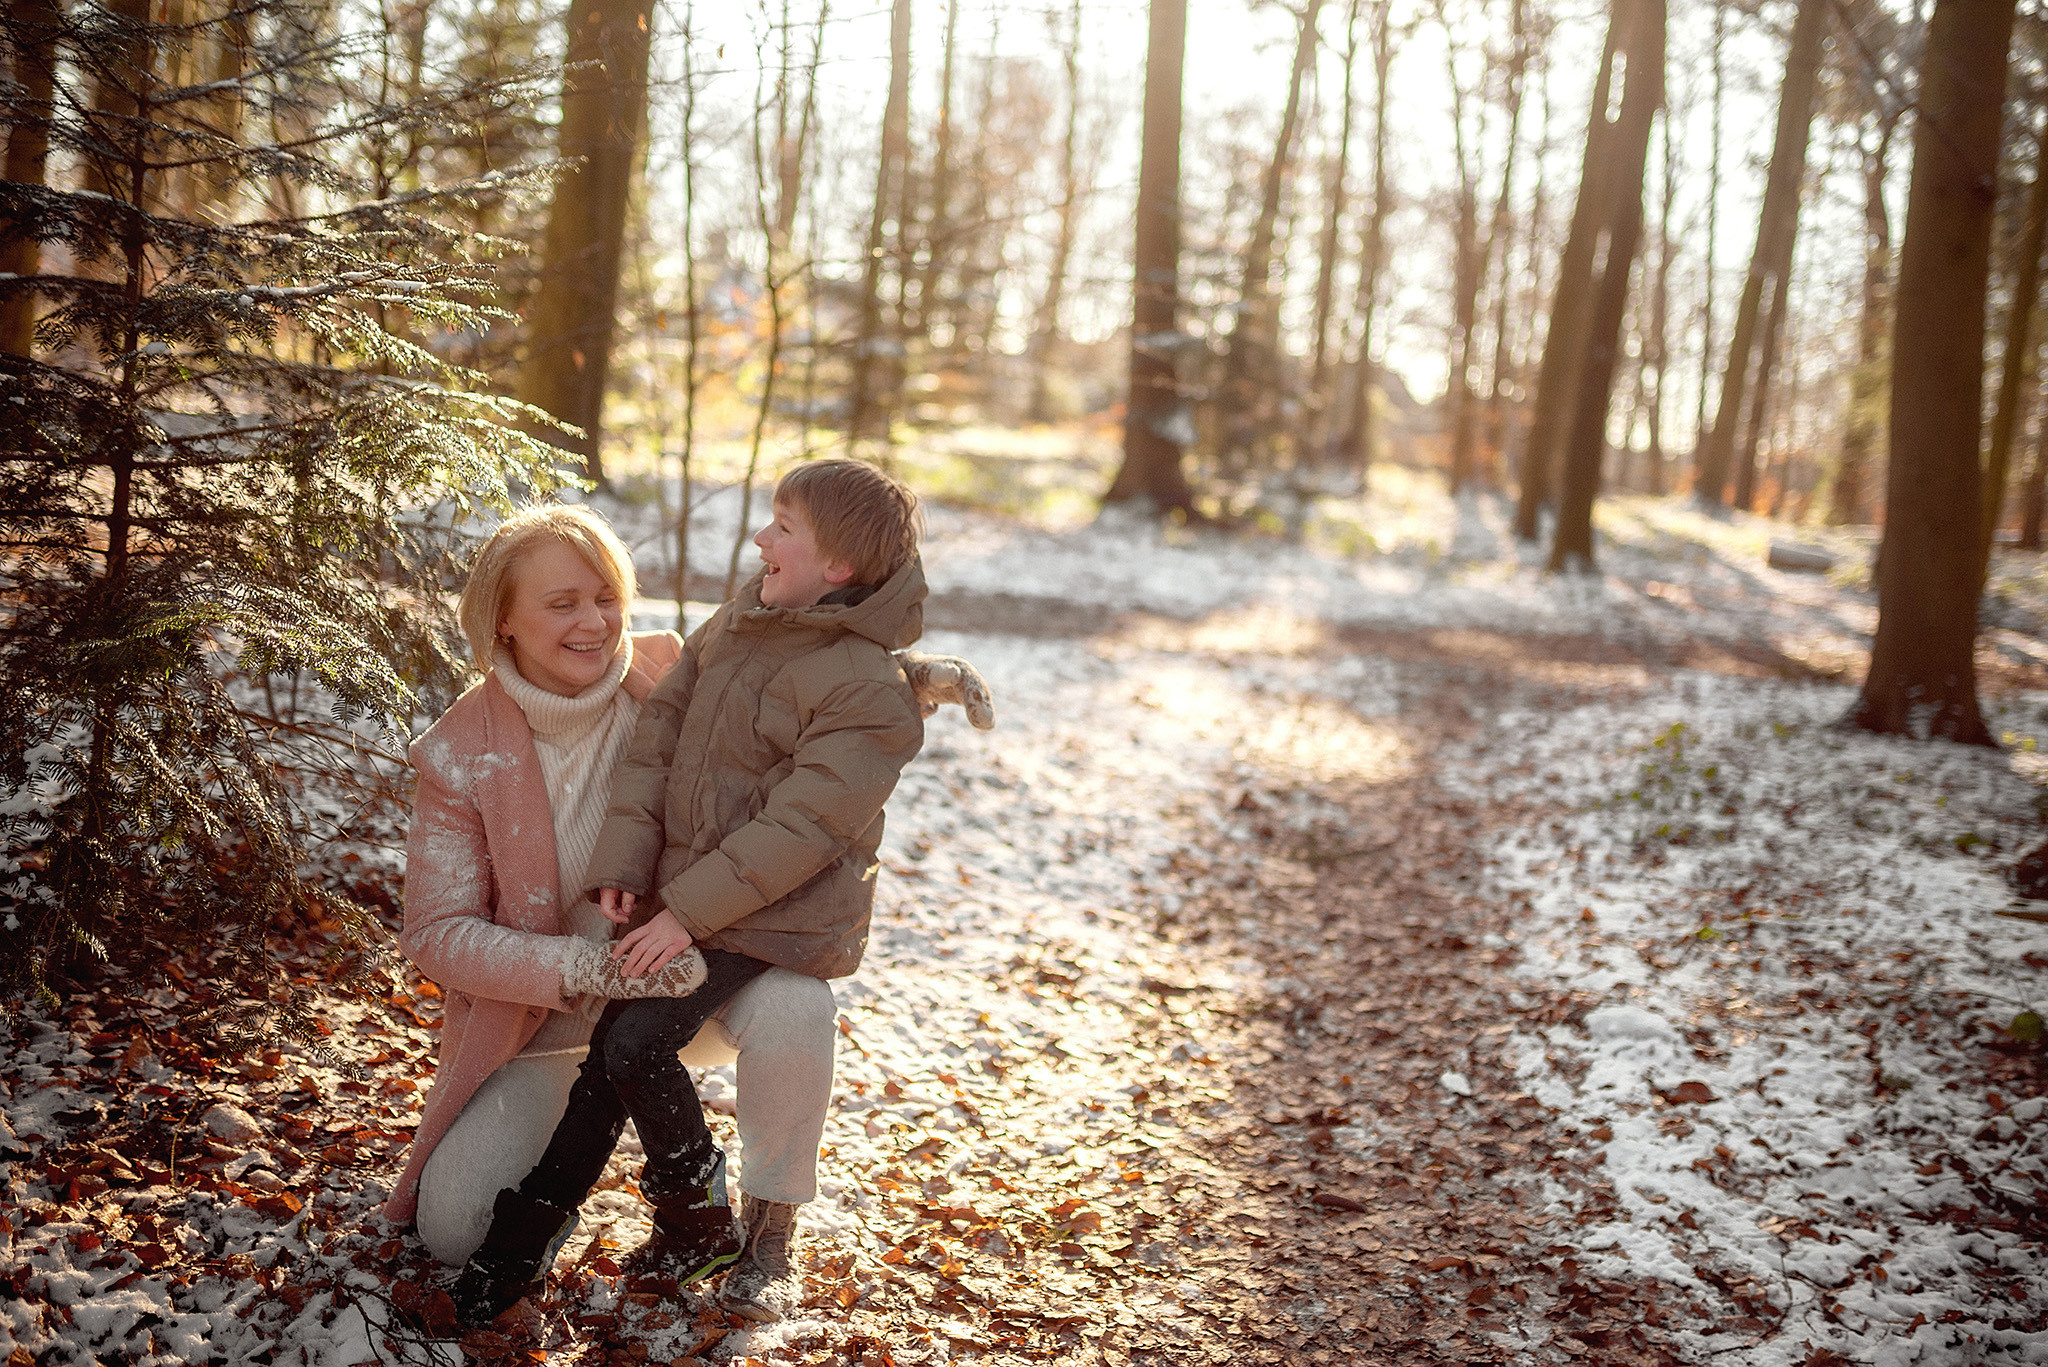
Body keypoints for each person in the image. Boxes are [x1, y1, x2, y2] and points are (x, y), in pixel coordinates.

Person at [387, 499, 990, 1318]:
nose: (594, 623)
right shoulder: (462, 751)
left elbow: (799, 686)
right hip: (548, 1025)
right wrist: (580, 966)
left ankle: (769, 1233)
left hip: (685, 983)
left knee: (797, 1002)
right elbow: (436, 932)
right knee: (455, 1226)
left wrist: (902, 677)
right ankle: (586, 1180)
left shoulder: (671, 668)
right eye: (562, 603)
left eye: (607, 597)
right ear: (503, 619)